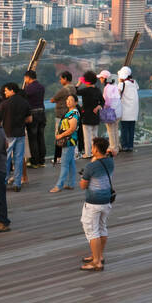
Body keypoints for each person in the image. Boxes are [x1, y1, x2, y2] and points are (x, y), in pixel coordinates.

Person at [79, 136, 115, 271]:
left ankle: (96, 262)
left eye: (92, 146)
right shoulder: (110, 162)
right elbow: (112, 153)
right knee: (102, 228)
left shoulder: (90, 167)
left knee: (92, 231)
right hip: (106, 201)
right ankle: (99, 256)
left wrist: (83, 177)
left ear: (95, 149)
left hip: (93, 202)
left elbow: (83, 185)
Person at [0, 82, 32, 189]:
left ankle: (4, 181)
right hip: (20, 133)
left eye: (6, 90)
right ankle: (17, 183)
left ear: (12, 90)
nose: (4, 92)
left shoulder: (4, 104)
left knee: (6, 158)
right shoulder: (24, 103)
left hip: (8, 134)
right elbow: (29, 119)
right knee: (19, 159)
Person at [51, 94, 81, 192]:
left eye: (71, 100)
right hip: (67, 141)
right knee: (70, 162)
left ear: (76, 102)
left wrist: (60, 135)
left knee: (64, 163)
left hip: (69, 141)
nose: (68, 101)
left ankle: (59, 185)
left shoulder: (74, 113)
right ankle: (71, 183)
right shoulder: (69, 112)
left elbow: (72, 129)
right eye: (67, 100)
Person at [23, 71, 47, 169]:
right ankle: (42, 160)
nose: (25, 80)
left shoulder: (28, 88)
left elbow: (25, 101)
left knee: (33, 138)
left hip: (32, 114)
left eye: (25, 78)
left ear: (28, 77)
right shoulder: (41, 87)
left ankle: (35, 161)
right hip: (42, 113)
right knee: (40, 137)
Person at [51, 72, 77, 164]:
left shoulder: (64, 90)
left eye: (61, 79)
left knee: (60, 135)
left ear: (65, 79)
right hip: (70, 114)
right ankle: (73, 155)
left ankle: (59, 157)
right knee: (71, 134)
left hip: (61, 115)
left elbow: (53, 99)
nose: (60, 80)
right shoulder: (73, 88)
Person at [77, 71, 103, 155]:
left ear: (86, 81)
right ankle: (95, 152)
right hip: (95, 116)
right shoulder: (98, 90)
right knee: (95, 136)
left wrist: (79, 83)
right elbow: (103, 101)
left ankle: (87, 153)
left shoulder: (85, 90)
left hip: (86, 116)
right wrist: (98, 106)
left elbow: (75, 91)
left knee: (87, 136)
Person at [117, 67, 139, 152]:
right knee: (131, 129)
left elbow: (118, 94)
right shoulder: (134, 82)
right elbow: (137, 88)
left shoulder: (122, 84)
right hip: (134, 111)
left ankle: (124, 145)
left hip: (125, 110)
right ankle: (130, 145)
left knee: (124, 129)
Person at [100, 70, 121, 155]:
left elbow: (107, 102)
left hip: (110, 112)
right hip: (118, 111)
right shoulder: (115, 85)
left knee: (110, 130)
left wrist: (103, 106)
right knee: (115, 129)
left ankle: (113, 148)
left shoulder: (107, 88)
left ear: (105, 78)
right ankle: (117, 146)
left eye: (101, 77)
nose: (100, 79)